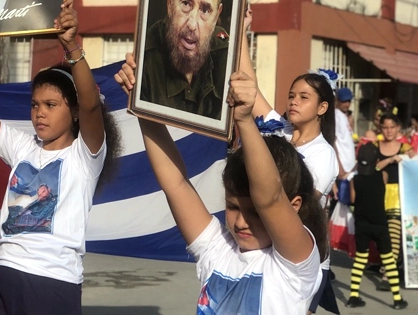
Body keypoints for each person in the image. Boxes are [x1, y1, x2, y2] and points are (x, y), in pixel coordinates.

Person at [0, 0, 122, 315]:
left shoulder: (85, 156)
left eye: (51, 105)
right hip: (4, 275)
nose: (40, 113)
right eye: (35, 105)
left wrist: (72, 47)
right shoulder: (22, 147)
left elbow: (91, 104)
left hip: (52, 283)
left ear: (74, 112)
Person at [114, 57, 325, 313]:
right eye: (233, 207)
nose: (241, 222)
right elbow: (176, 184)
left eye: (255, 212)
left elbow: (270, 198)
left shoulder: (295, 265)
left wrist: (244, 121)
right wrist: (143, 104)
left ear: (294, 206)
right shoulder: (217, 249)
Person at [236, 11, 338, 314]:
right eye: (292, 95)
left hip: (302, 258)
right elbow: (250, 89)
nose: (293, 101)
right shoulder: (279, 130)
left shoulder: (324, 155)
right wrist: (242, 30)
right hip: (268, 246)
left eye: (304, 97)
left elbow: (297, 206)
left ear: (322, 107)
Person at [140, 0, 230, 119]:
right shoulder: (143, 61)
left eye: (205, 10)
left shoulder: (227, 56)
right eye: (186, 3)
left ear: (216, 17)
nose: (192, 24)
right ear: (170, 0)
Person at [346, 143, 408, 309]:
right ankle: (397, 299)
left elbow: (352, 200)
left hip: (361, 225)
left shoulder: (354, 180)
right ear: (376, 161)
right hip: (380, 224)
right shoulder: (383, 176)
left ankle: (353, 297)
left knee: (360, 260)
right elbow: (380, 170)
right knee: (388, 260)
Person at [376, 113, 411, 285]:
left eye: (392, 127)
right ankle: (387, 265)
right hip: (377, 195)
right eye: (385, 127)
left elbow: (416, 164)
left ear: (398, 128)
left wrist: (407, 157)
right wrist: (390, 159)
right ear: (381, 128)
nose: (389, 131)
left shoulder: (405, 148)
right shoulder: (374, 146)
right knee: (383, 235)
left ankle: (389, 272)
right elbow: (372, 166)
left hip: (397, 195)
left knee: (394, 234)